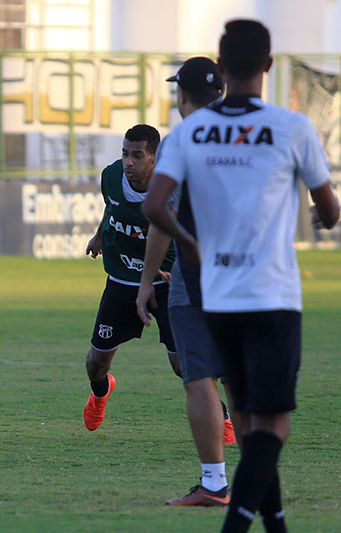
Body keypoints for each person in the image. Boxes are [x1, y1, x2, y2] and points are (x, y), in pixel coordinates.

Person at [144, 20, 339, 533]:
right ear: (270, 66)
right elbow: (330, 207)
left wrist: (190, 245)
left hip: (218, 297)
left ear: (222, 67)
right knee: (271, 422)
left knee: (250, 421)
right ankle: (236, 523)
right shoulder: (291, 127)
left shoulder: (189, 133)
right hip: (273, 295)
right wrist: (325, 215)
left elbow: (155, 205)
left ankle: (273, 525)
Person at [135, 57, 236, 506]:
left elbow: (160, 215)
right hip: (249, 274)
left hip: (195, 277)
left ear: (181, 95)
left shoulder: (183, 141)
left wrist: (144, 283)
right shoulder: (250, 134)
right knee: (242, 378)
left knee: (199, 379)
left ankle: (214, 484)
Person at [82, 124, 178, 432]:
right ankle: (100, 394)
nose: (129, 162)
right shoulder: (111, 176)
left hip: (166, 284)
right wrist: (99, 235)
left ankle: (223, 417)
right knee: (96, 363)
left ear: (155, 158)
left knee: (183, 366)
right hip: (122, 279)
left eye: (137, 155)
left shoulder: (172, 188)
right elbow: (112, 206)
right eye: (125, 154)